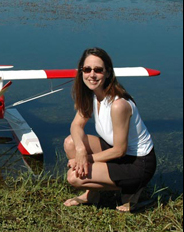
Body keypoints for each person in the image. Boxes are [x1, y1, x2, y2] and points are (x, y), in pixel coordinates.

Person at [63, 47, 156, 212]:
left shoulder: (118, 105)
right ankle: (91, 194)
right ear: (81, 71)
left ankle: (132, 189)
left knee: (74, 177)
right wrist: (80, 150)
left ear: (107, 73)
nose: (92, 74)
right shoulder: (92, 94)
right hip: (119, 153)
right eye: (87, 69)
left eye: (98, 70)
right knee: (70, 142)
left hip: (137, 163)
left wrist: (85, 160)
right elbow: (76, 125)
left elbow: (120, 151)